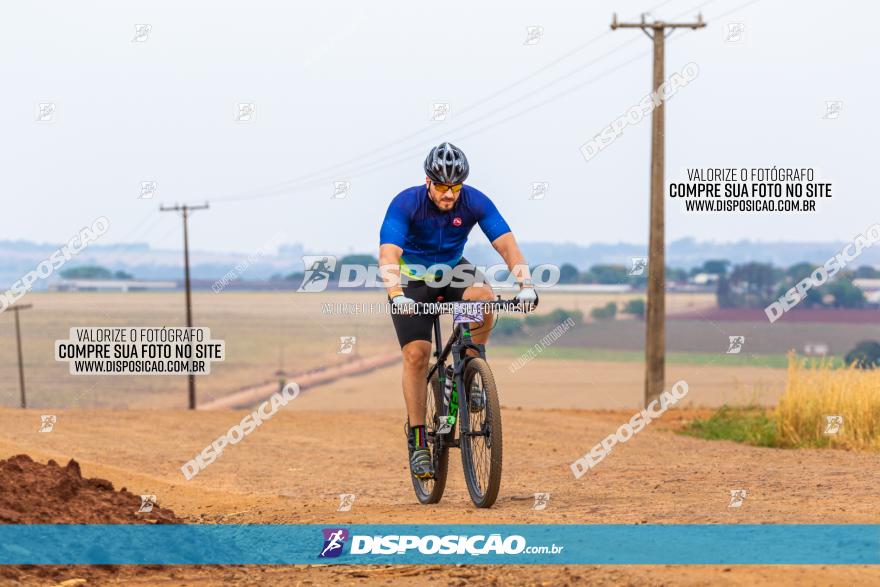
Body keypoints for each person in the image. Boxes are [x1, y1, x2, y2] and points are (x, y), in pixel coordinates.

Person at [378, 142, 537, 479]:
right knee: (417, 356)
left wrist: (526, 284)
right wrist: (396, 294)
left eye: (455, 187)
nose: (449, 194)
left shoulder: (475, 201)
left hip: (453, 271)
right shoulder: (406, 203)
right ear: (427, 182)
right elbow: (389, 255)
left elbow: (506, 244)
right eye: (441, 186)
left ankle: (470, 364)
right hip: (413, 279)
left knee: (482, 295)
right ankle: (419, 439)